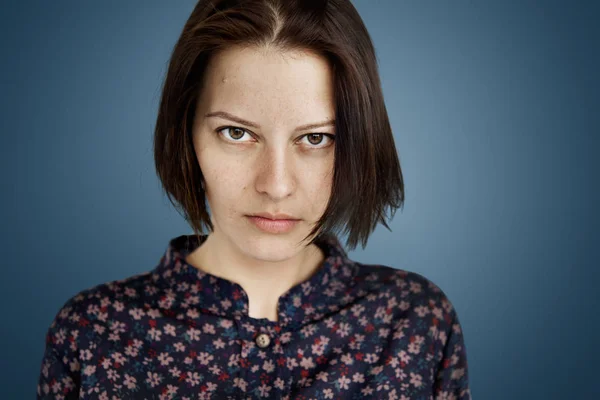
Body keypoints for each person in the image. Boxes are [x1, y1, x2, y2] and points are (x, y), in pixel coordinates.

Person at [37, 0, 471, 399]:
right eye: (237, 133)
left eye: (316, 138)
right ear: (186, 132)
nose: (276, 185)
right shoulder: (93, 333)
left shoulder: (416, 322)